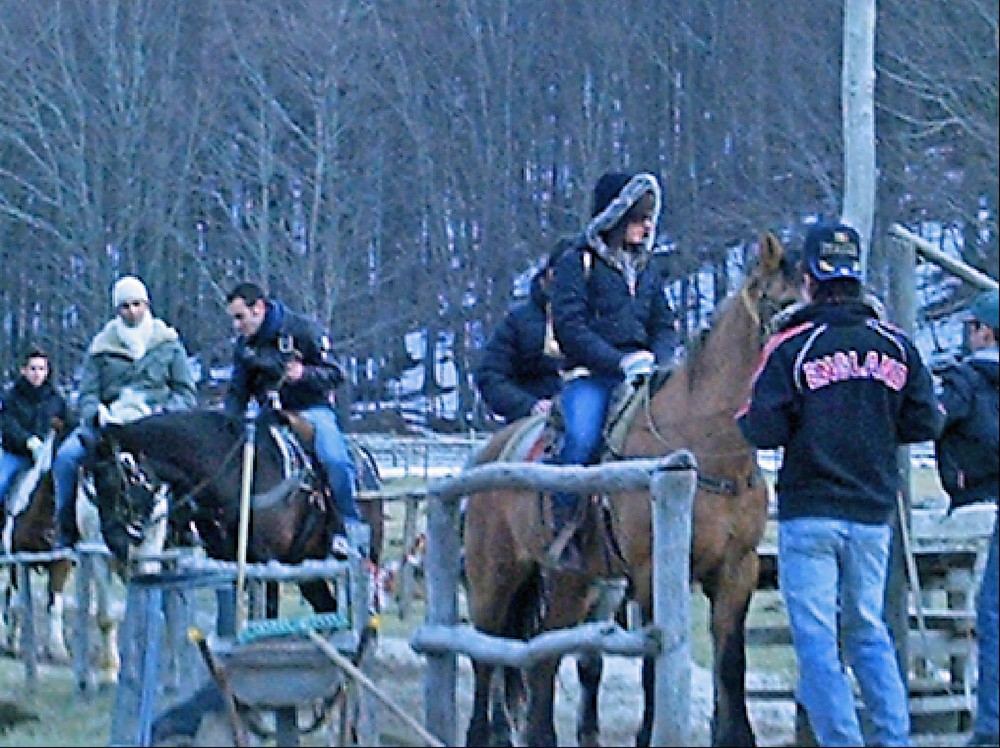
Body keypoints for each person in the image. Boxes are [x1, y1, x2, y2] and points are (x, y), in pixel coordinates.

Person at [736, 222, 944, 747]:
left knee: (817, 642)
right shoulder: (897, 345)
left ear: (808, 280)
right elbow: (926, 421)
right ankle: (895, 740)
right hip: (874, 513)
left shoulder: (791, 347)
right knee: (869, 631)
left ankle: (842, 742)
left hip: (811, 511)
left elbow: (759, 426)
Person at [547, 171, 679, 567]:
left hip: (647, 374)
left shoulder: (650, 270)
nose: (646, 226)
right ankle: (564, 525)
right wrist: (618, 362)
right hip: (592, 375)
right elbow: (571, 328)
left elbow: (664, 323)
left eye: (648, 217)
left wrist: (659, 359)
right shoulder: (576, 263)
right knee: (582, 441)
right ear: (615, 217)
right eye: (638, 216)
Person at [53, 276, 198, 548]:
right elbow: (86, 393)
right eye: (125, 306)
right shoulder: (101, 347)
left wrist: (163, 412)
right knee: (66, 459)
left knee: (191, 463)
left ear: (147, 304)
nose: (132, 311)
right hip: (111, 425)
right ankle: (66, 529)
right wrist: (96, 413)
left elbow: (186, 392)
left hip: (157, 426)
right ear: (116, 310)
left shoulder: (168, 343)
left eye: (136, 304)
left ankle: (186, 525)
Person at [223, 281, 364, 554]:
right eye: (233, 319)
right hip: (268, 416)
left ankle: (350, 525)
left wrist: (304, 375)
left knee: (333, 457)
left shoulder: (302, 330)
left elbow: (336, 374)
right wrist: (228, 424)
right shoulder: (244, 347)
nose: (237, 325)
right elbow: (237, 393)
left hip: (312, 411)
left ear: (259, 308)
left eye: (240, 317)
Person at [933, 288, 998, 748]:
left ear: (984, 331)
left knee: (992, 616)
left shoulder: (963, 381)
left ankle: (991, 724)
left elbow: (930, 420)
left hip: (978, 505)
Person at [473, 241, 570, 423]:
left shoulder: (602, 320)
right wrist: (529, 405)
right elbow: (490, 375)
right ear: (550, 274)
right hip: (532, 419)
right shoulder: (517, 323)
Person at [0, 346, 69, 514]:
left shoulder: (56, 399)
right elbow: (8, 424)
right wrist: (27, 440)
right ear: (23, 370)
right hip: (17, 455)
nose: (37, 373)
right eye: (33, 369)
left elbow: (68, 424)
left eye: (41, 369)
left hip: (50, 457)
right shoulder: (11, 397)